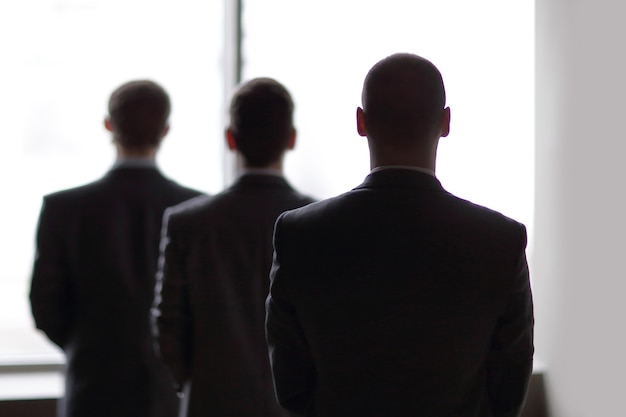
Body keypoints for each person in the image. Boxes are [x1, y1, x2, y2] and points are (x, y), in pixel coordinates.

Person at [265, 53, 534, 417]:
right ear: (445, 122)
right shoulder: (500, 241)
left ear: (361, 122)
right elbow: (509, 387)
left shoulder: (300, 234)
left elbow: (291, 386)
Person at [29, 80, 203, 417]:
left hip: (93, 386)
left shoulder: (63, 208)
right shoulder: (194, 209)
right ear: (165, 130)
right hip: (170, 393)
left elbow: (44, 304)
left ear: (109, 125)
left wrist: (87, 344)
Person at [153, 77, 315, 417]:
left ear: (230, 139)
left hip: (210, 402)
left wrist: (195, 382)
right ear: (292, 139)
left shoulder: (187, 222)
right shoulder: (320, 223)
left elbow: (169, 324)